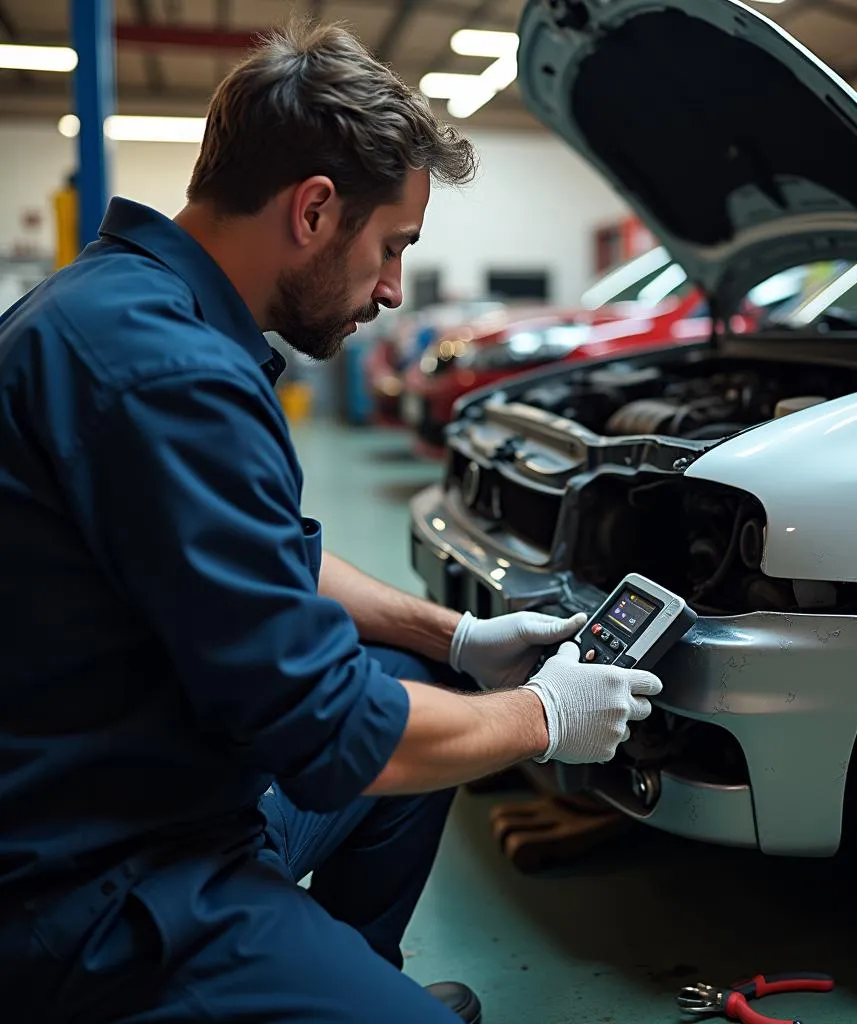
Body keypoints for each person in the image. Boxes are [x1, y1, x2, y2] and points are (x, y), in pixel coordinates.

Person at [0, 18, 663, 1024]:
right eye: (392, 246)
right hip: (97, 883)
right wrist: (545, 717)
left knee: (423, 678)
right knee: (407, 726)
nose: (394, 289)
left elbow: (269, 567)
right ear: (313, 210)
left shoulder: (121, 308)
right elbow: (329, 732)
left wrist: (458, 635)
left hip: (142, 792)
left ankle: (343, 981)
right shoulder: (165, 374)